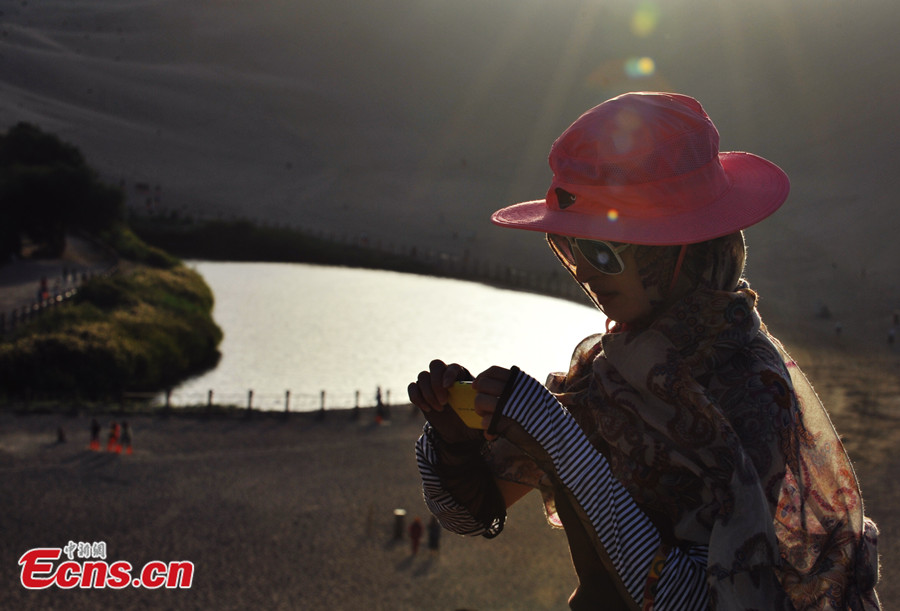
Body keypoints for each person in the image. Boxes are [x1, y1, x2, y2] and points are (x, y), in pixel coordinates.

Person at [408, 93, 880, 610]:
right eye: (569, 247)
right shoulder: (603, 377)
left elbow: (696, 599)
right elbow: (469, 515)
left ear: (681, 249)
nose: (583, 270)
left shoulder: (750, 390)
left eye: (602, 250)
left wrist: (552, 432)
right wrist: (451, 439)